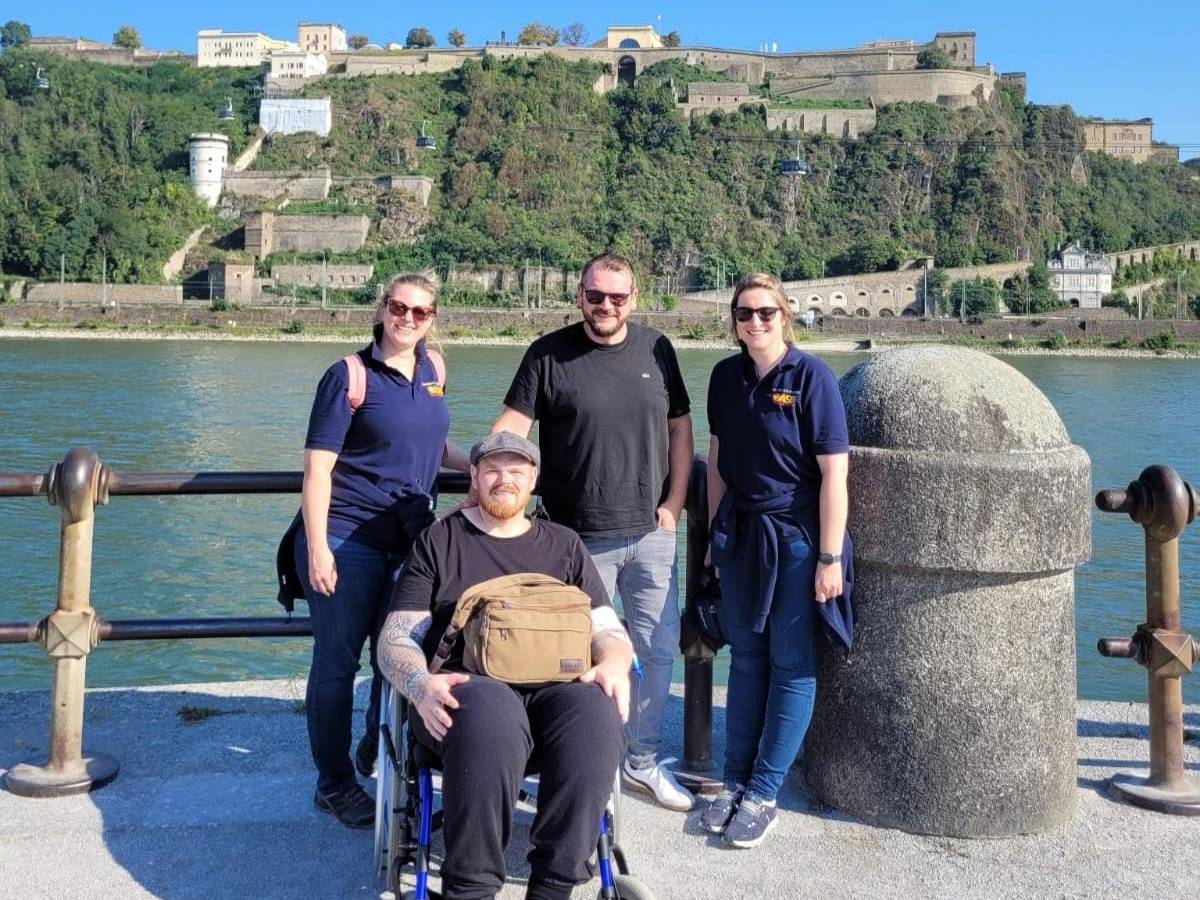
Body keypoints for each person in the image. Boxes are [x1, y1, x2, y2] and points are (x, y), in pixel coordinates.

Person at [378, 432, 632, 900]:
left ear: (533, 479)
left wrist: (614, 661)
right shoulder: (441, 541)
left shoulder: (564, 545)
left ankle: (554, 886)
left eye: (517, 471)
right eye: (493, 469)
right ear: (473, 476)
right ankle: (470, 890)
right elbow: (396, 638)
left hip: (556, 690)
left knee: (597, 717)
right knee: (491, 712)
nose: (505, 480)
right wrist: (418, 684)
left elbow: (607, 629)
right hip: (464, 692)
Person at [491, 252, 696, 812]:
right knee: (573, 656)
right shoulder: (547, 355)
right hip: (576, 541)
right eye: (595, 295)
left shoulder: (658, 349)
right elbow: (512, 427)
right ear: (578, 294)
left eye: (618, 297)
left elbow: (681, 429)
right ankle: (586, 764)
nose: (606, 306)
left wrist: (675, 502)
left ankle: (641, 760)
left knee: (655, 651)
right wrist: (488, 475)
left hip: (652, 533)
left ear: (636, 297)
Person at [296, 272, 468, 829]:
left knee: (396, 658)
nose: (408, 319)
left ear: (433, 317)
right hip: (349, 540)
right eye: (399, 307)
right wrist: (319, 547)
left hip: (411, 544)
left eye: (421, 311)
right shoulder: (348, 375)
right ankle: (335, 783)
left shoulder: (434, 370)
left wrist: (488, 465)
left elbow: (431, 443)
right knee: (338, 664)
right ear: (382, 307)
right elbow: (318, 468)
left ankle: (375, 746)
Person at [701, 273, 853, 849]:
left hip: (796, 537)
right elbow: (716, 459)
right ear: (734, 320)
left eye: (766, 312)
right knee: (745, 658)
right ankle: (734, 780)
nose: (755, 322)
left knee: (792, 663)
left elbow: (835, 474)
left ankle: (765, 791)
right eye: (745, 313)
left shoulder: (811, 378)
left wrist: (829, 557)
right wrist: (718, 535)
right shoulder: (724, 376)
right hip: (741, 536)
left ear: (784, 315)